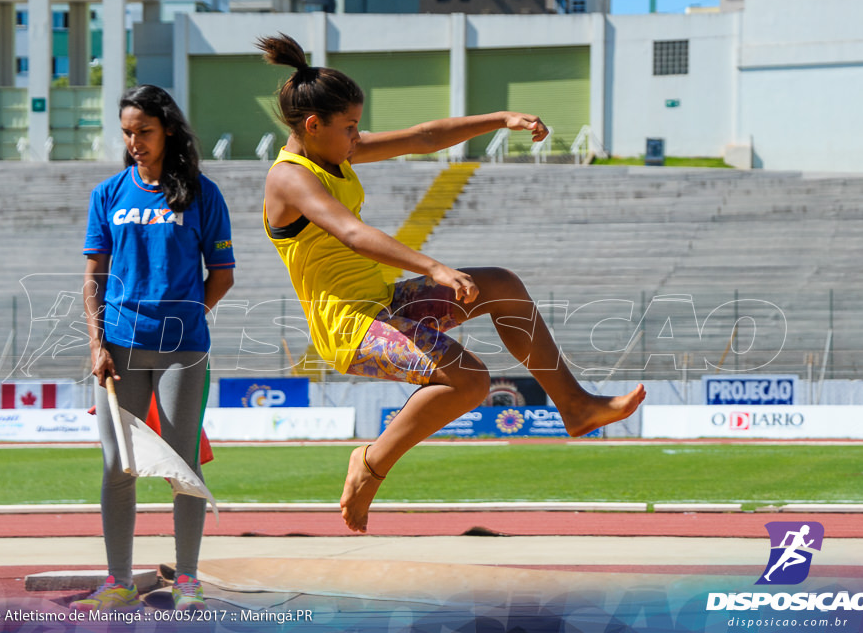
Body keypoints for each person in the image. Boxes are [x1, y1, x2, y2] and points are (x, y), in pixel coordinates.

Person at [257, 33, 646, 534]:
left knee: (502, 284)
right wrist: (432, 267)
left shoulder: (336, 152)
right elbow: (352, 233)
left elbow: (423, 137)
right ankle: (370, 466)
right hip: (349, 327)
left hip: (385, 303)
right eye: (351, 128)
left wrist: (501, 119)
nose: (359, 137)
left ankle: (575, 405)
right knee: (470, 379)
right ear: (313, 126)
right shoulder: (290, 177)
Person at [75, 84, 235, 612]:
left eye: (143, 131)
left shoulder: (202, 194)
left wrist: (188, 318)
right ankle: (118, 581)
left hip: (181, 350)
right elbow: (94, 274)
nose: (134, 141)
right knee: (117, 465)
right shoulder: (108, 194)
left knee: (181, 465)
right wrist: (97, 344)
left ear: (167, 129)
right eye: (126, 133)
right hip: (118, 349)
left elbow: (223, 275)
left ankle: (187, 579)